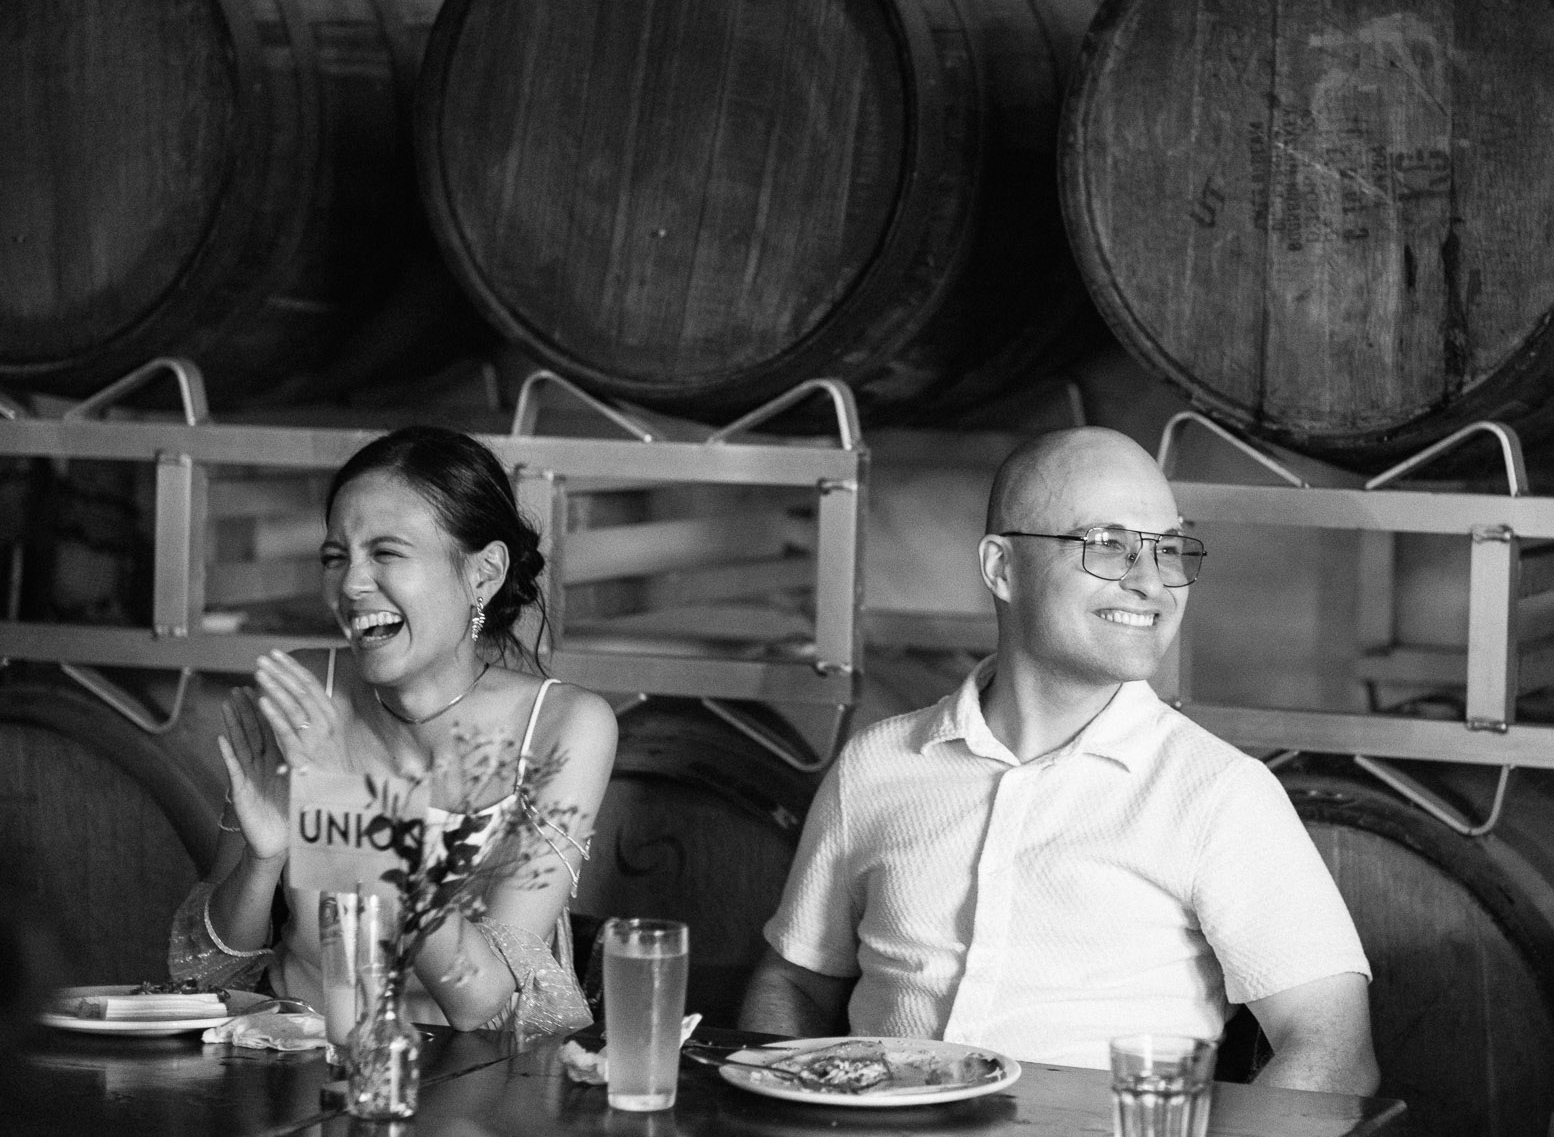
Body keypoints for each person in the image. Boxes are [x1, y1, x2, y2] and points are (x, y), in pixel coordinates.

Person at [743, 427, 1377, 1092]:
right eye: (1108, 545)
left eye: (1167, 550)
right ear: (1002, 568)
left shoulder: (1220, 791)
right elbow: (795, 982)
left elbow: (1332, 1050)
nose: (1151, 583)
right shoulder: (876, 765)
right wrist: (789, 1108)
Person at [168, 426, 618, 1038]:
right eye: (336, 557)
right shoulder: (307, 688)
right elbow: (210, 972)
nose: (351, 585)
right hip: (299, 1053)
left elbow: (479, 998)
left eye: (385, 553)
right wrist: (262, 861)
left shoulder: (566, 727)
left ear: (483, 574)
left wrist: (356, 811)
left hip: (473, 1077)